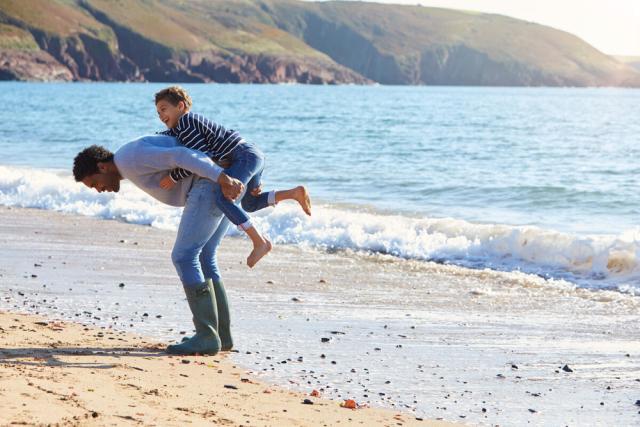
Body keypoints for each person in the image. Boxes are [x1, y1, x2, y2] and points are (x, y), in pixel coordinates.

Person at [73, 135, 242, 355]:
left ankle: (207, 336)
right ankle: (220, 335)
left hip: (212, 184)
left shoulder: (129, 158)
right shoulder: (128, 160)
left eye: (94, 183)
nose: (98, 189)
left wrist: (221, 178)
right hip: (219, 181)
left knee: (184, 256)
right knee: (204, 256)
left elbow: (180, 155)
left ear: (102, 167)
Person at [154, 86, 311, 268]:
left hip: (243, 157)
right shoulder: (185, 124)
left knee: (223, 198)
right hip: (253, 154)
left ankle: (259, 242)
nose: (160, 115)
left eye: (164, 109)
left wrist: (174, 176)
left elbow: (200, 158)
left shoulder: (185, 123)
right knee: (250, 204)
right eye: (158, 112)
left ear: (180, 106)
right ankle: (293, 193)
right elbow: (172, 138)